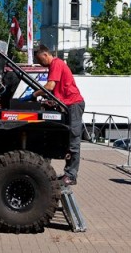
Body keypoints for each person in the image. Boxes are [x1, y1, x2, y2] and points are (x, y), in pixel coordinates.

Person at [33, 44, 85, 186]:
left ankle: (71, 176)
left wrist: (33, 95)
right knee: (66, 139)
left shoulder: (56, 63)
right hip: (67, 105)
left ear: (45, 55)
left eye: (39, 60)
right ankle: (66, 172)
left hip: (73, 104)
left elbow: (50, 86)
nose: (39, 63)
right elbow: (55, 91)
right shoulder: (53, 66)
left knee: (73, 139)